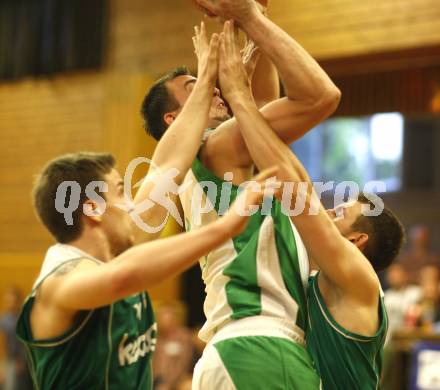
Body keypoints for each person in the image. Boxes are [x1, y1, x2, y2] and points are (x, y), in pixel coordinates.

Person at [15, 27, 278, 389]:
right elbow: (122, 278)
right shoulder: (59, 282)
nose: (133, 202)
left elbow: (166, 164)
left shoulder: (124, 244)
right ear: (92, 209)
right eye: (121, 192)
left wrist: (209, 77)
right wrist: (225, 226)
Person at [141, 0, 340, 387]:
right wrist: (249, 18)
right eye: (194, 84)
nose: (211, 83)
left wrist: (253, 17)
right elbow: (319, 97)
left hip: (242, 346)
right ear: (173, 118)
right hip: (256, 344)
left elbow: (262, 109)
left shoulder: (213, 154)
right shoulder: (212, 144)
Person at [218, 26, 406, 387]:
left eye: (339, 214)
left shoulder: (359, 280)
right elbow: (271, 144)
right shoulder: (323, 277)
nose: (328, 210)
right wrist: (254, 33)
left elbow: (295, 191)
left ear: (355, 242)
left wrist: (237, 96)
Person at [0, 287, 32, 390]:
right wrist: (2, 365)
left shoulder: (24, 318)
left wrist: (22, 360)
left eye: (13, 301)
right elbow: (3, 343)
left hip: (24, 361)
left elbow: (26, 342)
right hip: (10, 360)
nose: (10, 304)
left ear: (19, 301)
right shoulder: (4, 319)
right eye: (8, 301)